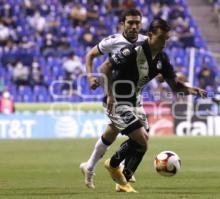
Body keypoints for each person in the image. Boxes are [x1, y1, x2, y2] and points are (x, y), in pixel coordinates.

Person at [96, 18, 207, 192]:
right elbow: (104, 68)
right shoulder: (132, 51)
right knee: (141, 139)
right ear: (150, 35)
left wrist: (192, 90)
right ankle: (113, 163)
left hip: (134, 102)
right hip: (117, 100)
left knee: (143, 144)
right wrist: (110, 95)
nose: (164, 42)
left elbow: (175, 86)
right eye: (161, 38)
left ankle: (122, 181)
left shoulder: (162, 59)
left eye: (166, 38)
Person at [79, 8, 147, 189]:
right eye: (130, 23)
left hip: (135, 97)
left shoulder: (145, 41)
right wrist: (90, 77)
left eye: (137, 23)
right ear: (122, 24)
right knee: (139, 137)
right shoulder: (113, 41)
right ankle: (120, 172)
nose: (134, 26)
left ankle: (90, 166)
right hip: (115, 96)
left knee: (113, 132)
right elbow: (90, 55)